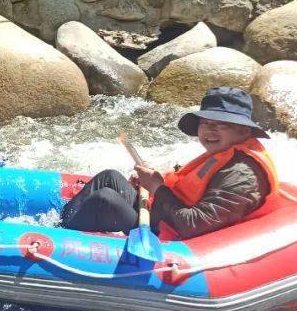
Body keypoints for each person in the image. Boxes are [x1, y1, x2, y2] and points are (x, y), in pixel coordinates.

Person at [60, 87, 278, 240]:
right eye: (204, 123)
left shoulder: (241, 176)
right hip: (166, 214)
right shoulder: (225, 154)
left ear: (243, 131)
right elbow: (189, 185)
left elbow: (192, 226)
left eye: (220, 125)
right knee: (109, 177)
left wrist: (156, 187)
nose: (208, 131)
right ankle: (59, 228)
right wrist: (159, 179)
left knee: (104, 200)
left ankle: (57, 242)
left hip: (173, 235)